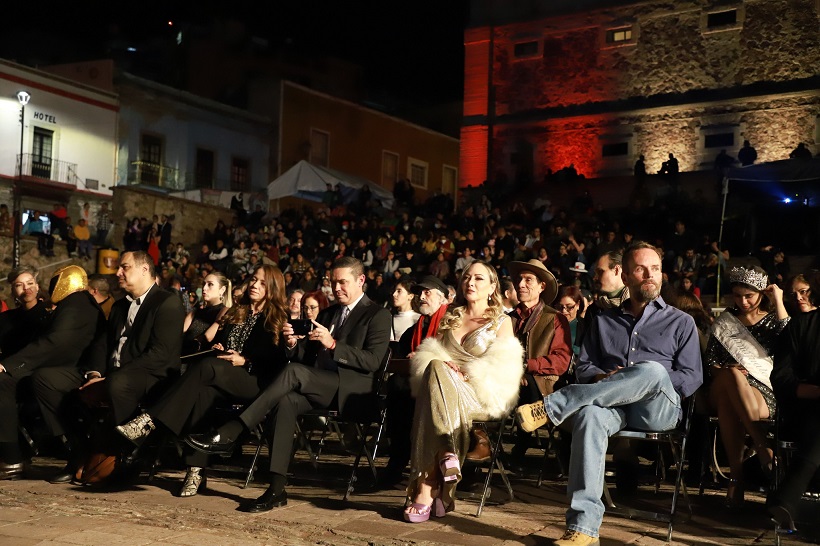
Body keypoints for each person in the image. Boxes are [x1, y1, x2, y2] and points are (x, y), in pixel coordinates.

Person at [516, 242, 702, 545]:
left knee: (652, 370)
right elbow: (585, 367)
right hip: (610, 407)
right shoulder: (604, 321)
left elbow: (691, 377)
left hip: (656, 409)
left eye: (655, 268)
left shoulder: (681, 322)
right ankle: (583, 529)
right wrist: (608, 378)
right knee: (589, 415)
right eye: (641, 269)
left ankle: (553, 406)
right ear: (625, 275)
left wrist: (642, 378)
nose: (650, 275)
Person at [185, 256, 392, 513]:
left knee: (293, 373)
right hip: (319, 385)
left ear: (361, 280)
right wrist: (293, 343)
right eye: (333, 282)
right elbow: (306, 358)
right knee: (285, 400)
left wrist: (334, 344)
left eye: (343, 282)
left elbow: (373, 361)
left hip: (353, 391)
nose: (337, 288)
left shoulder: (378, 314)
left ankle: (234, 429)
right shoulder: (328, 313)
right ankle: (276, 488)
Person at [115, 265, 289, 497]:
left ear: (274, 288)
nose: (255, 285)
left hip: (254, 381)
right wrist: (222, 349)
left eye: (263, 283)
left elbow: (277, 363)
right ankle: (196, 471)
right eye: (254, 280)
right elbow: (224, 343)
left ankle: (149, 421)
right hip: (224, 374)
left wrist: (245, 360)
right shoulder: (239, 311)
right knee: (202, 393)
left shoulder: (277, 317)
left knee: (206, 369)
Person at [403, 261, 523, 522]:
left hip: (479, 395)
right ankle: (444, 469)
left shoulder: (502, 322)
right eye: (467, 277)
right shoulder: (451, 316)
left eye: (479, 279)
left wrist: (467, 373)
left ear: (493, 287)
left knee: (433, 387)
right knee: (434, 367)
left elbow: (503, 371)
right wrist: (446, 370)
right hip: (443, 393)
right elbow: (436, 360)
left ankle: (428, 487)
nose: (470, 282)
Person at [52, 251, 185, 482]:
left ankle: (127, 454)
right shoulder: (119, 306)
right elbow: (102, 345)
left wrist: (109, 379)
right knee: (48, 381)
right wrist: (95, 374)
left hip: (150, 376)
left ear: (145, 270)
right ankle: (81, 452)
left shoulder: (167, 301)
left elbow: (160, 354)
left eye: (125, 267)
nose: (117, 272)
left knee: (117, 384)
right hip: (111, 374)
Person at [0, 266, 105, 480]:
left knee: (11, 380)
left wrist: (10, 365)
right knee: (6, 382)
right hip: (58, 368)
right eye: (19, 285)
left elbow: (56, 342)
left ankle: (13, 458)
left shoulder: (77, 303)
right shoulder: (75, 304)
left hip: (69, 372)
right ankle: (11, 458)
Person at [705, 266, 788, 508]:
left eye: (748, 295)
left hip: (762, 391)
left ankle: (737, 478)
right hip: (723, 383)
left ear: (761, 293)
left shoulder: (774, 321)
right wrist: (728, 372)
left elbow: (790, 343)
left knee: (729, 405)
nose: (742, 301)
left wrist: (779, 301)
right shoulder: (725, 323)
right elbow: (711, 362)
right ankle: (762, 446)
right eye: (737, 295)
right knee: (730, 374)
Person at [381, 275, 450, 486]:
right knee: (396, 387)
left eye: (428, 292)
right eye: (419, 293)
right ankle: (399, 458)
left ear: (443, 299)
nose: (422, 297)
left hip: (443, 388)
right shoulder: (412, 331)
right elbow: (400, 360)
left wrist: (423, 358)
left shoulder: (451, 326)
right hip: (412, 388)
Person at [504, 260, 572, 463]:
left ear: (542, 286)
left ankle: (522, 443)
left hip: (543, 385)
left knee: (529, 384)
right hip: (508, 381)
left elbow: (561, 361)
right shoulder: (507, 319)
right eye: (519, 279)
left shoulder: (556, 319)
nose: (521, 284)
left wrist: (528, 367)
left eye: (528, 280)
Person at [768, 272, 820, 531]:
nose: (800, 298)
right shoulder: (796, 328)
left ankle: (786, 498)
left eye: (806, 291)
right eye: (795, 293)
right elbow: (782, 380)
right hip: (803, 412)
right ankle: (786, 499)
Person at [182, 272, 232, 355]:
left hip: (199, 360)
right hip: (183, 355)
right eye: (204, 284)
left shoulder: (224, 311)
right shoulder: (196, 311)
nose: (204, 288)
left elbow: (207, 337)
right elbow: (180, 332)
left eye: (210, 284)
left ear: (222, 289)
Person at [555, 286, 586, 356]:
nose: (564, 311)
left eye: (569, 307)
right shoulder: (550, 324)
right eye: (559, 307)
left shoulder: (586, 327)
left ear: (578, 305)